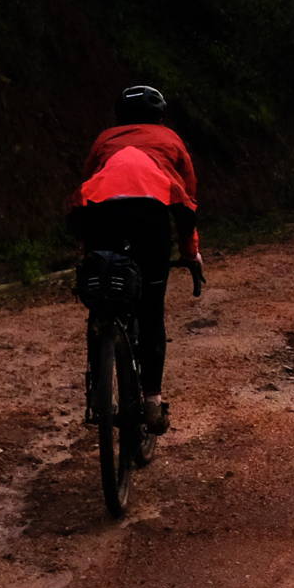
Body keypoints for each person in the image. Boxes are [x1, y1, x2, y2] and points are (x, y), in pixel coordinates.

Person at [75, 85, 205, 430]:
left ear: (120, 116)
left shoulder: (105, 140)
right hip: (151, 219)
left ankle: (97, 388)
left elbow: (88, 185)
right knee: (150, 312)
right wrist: (191, 253)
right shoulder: (171, 140)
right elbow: (186, 201)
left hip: (101, 216)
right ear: (160, 116)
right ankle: (151, 402)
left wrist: (87, 252)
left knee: (103, 294)